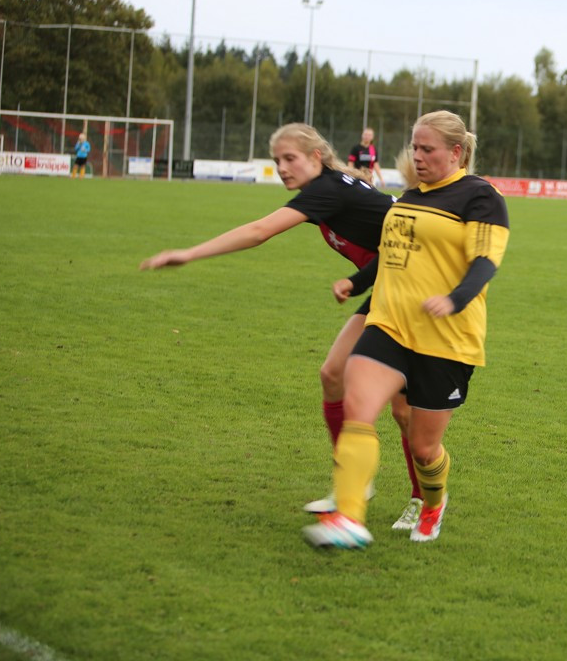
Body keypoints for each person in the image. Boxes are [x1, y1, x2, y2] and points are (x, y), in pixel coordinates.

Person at [139, 123, 425, 532]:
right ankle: (354, 486)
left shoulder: (327, 189)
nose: (282, 168)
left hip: (413, 293)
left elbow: (259, 232)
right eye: (276, 161)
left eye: (290, 158)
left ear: (316, 158)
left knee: (402, 410)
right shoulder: (328, 188)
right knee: (332, 375)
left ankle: (422, 498)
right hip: (387, 288)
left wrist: (189, 253)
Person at [303, 109, 509, 549]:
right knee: (359, 405)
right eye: (414, 146)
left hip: (447, 338)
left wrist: (455, 299)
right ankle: (349, 516)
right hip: (389, 323)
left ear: (456, 152)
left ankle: (433, 502)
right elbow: (392, 253)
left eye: (427, 149)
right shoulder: (411, 196)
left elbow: (485, 260)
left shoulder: (480, 196)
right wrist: (355, 282)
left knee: (423, 448)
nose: (416, 156)